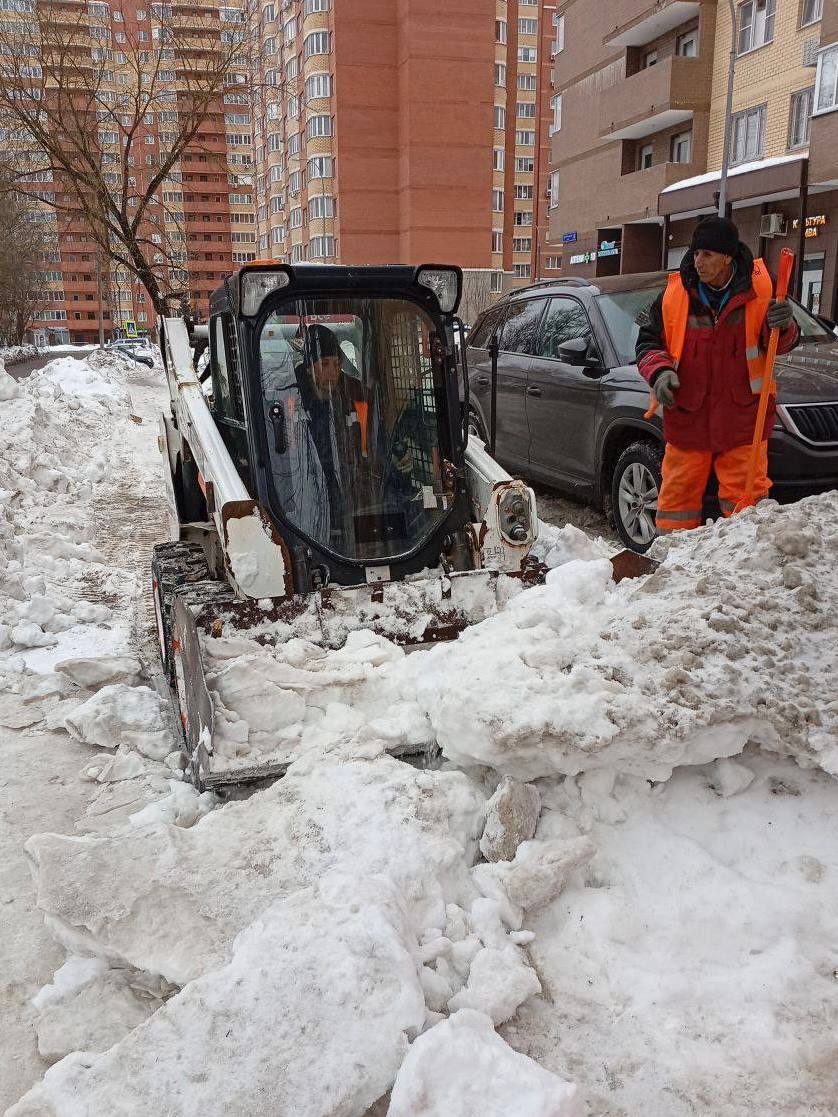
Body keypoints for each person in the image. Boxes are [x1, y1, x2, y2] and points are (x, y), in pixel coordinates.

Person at [636, 216, 799, 533]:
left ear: (728, 257)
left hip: (742, 421)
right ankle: (674, 567)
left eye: (707, 254)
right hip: (688, 416)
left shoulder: (762, 290)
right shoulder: (674, 295)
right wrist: (660, 373)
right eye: (696, 253)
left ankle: (744, 570)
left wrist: (786, 325)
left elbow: (782, 343)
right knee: (676, 507)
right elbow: (647, 343)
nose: (698, 261)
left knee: (746, 508)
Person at [294, 323, 374, 547]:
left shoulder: (355, 396)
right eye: (325, 364)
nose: (333, 371)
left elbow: (368, 446)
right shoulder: (293, 400)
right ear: (309, 368)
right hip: (308, 491)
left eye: (337, 364)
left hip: (352, 487)